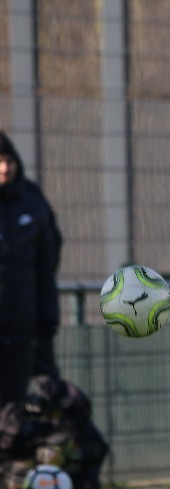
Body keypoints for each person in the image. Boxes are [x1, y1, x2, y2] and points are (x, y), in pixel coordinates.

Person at [0, 131, 61, 409]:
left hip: (23, 330)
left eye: (8, 160)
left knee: (17, 409)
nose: (4, 168)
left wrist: (47, 319)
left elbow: (46, 265)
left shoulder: (32, 201)